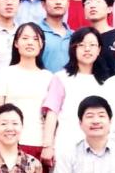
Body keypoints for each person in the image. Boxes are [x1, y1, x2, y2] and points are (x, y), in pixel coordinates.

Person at [42, 28, 108, 165]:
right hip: (66, 144)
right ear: (73, 48)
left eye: (92, 45)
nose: (87, 49)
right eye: (81, 45)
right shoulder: (61, 77)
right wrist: (48, 145)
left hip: (99, 147)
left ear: (99, 49)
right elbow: (52, 113)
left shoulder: (106, 82)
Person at [0, 22, 54, 163]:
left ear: (42, 45)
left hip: (38, 143)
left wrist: (49, 145)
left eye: (35, 39)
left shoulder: (49, 77)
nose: (30, 42)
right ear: (16, 43)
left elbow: (50, 117)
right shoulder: (4, 74)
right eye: (25, 38)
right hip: (9, 142)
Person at [82, 0, 115, 77]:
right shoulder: (81, 39)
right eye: (88, 2)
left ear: (109, 9)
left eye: (98, 1)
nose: (92, 6)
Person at [38, 0, 72, 73]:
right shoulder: (35, 33)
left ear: (68, 3)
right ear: (43, 4)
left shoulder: (74, 36)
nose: (58, 2)